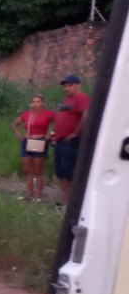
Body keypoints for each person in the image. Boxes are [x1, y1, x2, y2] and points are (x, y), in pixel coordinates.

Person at [52, 75, 90, 206]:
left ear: (78, 85)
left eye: (70, 85)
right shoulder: (66, 100)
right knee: (61, 172)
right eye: (65, 86)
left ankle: (72, 202)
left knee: (70, 172)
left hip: (71, 141)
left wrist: (75, 133)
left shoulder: (82, 98)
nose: (66, 88)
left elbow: (85, 116)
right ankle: (64, 200)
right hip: (60, 140)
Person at [12, 94, 55, 202]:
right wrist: (20, 136)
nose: (35, 104)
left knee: (38, 170)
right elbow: (15, 124)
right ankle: (28, 194)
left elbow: (58, 124)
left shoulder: (49, 114)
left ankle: (38, 196)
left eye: (38, 101)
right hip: (27, 141)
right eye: (34, 101)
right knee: (27, 170)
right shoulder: (27, 114)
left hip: (40, 142)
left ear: (43, 103)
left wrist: (49, 136)